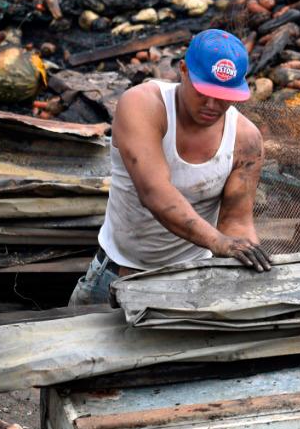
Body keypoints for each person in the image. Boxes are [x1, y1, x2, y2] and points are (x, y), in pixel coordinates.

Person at [70, 29, 271, 306]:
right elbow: (155, 191)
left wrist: (247, 261)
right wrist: (217, 242)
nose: (213, 105)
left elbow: (236, 221)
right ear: (184, 70)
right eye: (204, 92)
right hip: (118, 275)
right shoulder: (143, 105)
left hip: (191, 281)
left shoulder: (246, 139)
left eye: (223, 96)